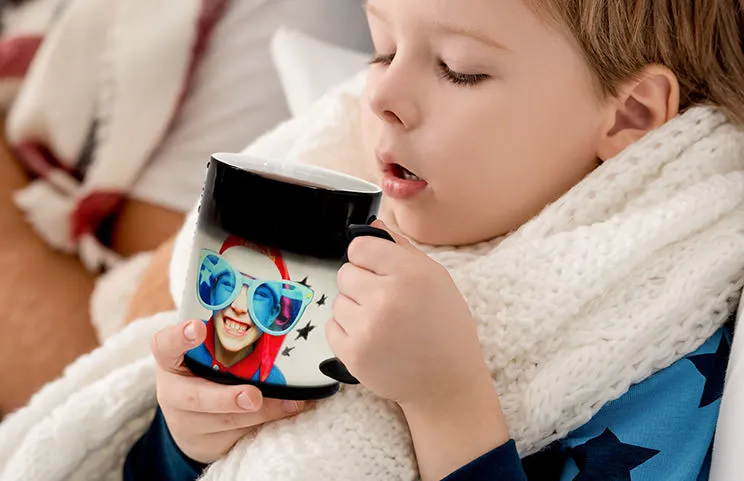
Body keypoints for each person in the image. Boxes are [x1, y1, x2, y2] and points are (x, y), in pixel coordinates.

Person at [123, 0, 742, 479]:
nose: (384, 97)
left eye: (458, 70)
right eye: (382, 50)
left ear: (630, 113)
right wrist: (184, 442)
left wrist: (448, 402)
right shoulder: (330, 212)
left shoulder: (662, 325)